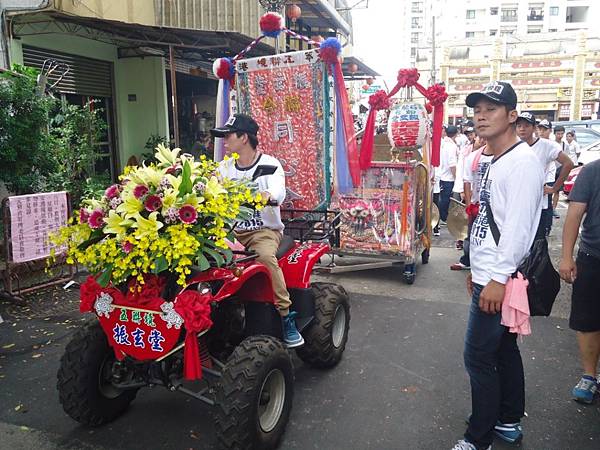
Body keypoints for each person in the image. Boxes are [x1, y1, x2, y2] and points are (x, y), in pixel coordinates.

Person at [451, 81, 544, 450]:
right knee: (503, 350)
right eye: (477, 110)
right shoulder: (493, 158)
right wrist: (476, 267)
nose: (481, 116)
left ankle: (479, 436)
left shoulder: (522, 164)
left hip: (500, 278)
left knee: (477, 356)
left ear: (512, 116)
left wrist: (498, 278)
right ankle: (507, 421)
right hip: (490, 272)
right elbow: (488, 220)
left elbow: (520, 229)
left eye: (492, 109)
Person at [210, 113, 304, 348]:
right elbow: (211, 187)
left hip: (263, 231)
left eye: (228, 135)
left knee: (264, 257)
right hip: (230, 232)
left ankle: (286, 316)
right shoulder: (224, 168)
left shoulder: (270, 165)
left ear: (244, 138)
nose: (224, 140)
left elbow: (278, 192)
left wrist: (267, 196)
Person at [559, 158, 600, 404]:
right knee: (587, 321)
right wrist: (566, 257)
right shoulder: (592, 171)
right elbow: (574, 215)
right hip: (593, 256)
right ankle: (589, 376)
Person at [515, 112, 574, 237]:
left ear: (534, 128)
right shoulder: (512, 146)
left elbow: (568, 163)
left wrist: (555, 188)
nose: (522, 129)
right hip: (516, 202)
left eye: (526, 125)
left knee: (537, 242)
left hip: (538, 203)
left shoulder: (547, 146)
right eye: (519, 125)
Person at [450, 135, 489, 271]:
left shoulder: (503, 155)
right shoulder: (473, 156)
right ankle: (467, 260)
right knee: (471, 234)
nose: (484, 140)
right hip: (476, 203)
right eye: (481, 138)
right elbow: (467, 181)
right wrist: (469, 205)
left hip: (495, 205)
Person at [439, 125, 459, 225]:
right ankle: (443, 218)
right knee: (445, 199)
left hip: (441, 175)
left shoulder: (443, 144)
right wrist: (456, 178)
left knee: (443, 198)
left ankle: (441, 217)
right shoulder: (452, 146)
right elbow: (452, 164)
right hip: (448, 177)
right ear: (456, 134)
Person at [552, 124, 568, 218]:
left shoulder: (564, 145)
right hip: (551, 169)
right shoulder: (551, 143)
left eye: (562, 134)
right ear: (554, 134)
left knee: (557, 190)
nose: (560, 135)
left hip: (560, 169)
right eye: (558, 133)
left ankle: (554, 209)